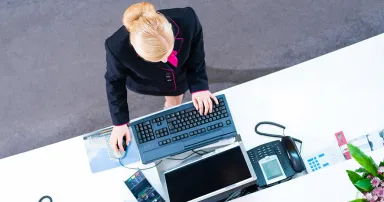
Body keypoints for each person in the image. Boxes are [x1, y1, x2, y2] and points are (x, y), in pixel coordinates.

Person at [104, 2, 218, 154]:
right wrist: (119, 123)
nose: (166, 60)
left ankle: (170, 106)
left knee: (174, 98)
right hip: (147, 81)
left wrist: (199, 87)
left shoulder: (188, 19)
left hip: (179, 77)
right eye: (157, 58)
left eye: (167, 53)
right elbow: (114, 81)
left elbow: (196, 52)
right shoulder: (116, 47)